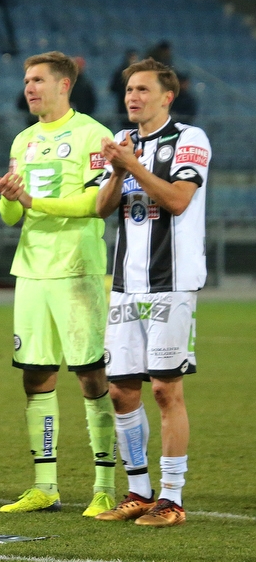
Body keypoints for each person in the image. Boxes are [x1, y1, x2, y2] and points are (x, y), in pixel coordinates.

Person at [0, 52, 116, 516]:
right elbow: (12, 216)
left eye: (38, 79)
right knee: (36, 375)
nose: (29, 87)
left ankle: (105, 486)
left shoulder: (93, 135)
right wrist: (10, 199)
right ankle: (46, 486)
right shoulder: (23, 140)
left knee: (90, 375)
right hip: (32, 272)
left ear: (64, 85)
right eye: (26, 80)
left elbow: (93, 203)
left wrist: (33, 200)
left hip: (77, 268)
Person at [94, 58, 210, 527]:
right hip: (125, 285)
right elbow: (101, 209)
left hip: (172, 283)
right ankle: (139, 490)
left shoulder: (190, 139)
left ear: (168, 95)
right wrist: (119, 170)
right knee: (121, 392)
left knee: (164, 389)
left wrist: (132, 166)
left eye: (142, 90)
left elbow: (178, 200)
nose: (132, 98)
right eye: (128, 91)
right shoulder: (123, 145)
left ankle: (173, 496)